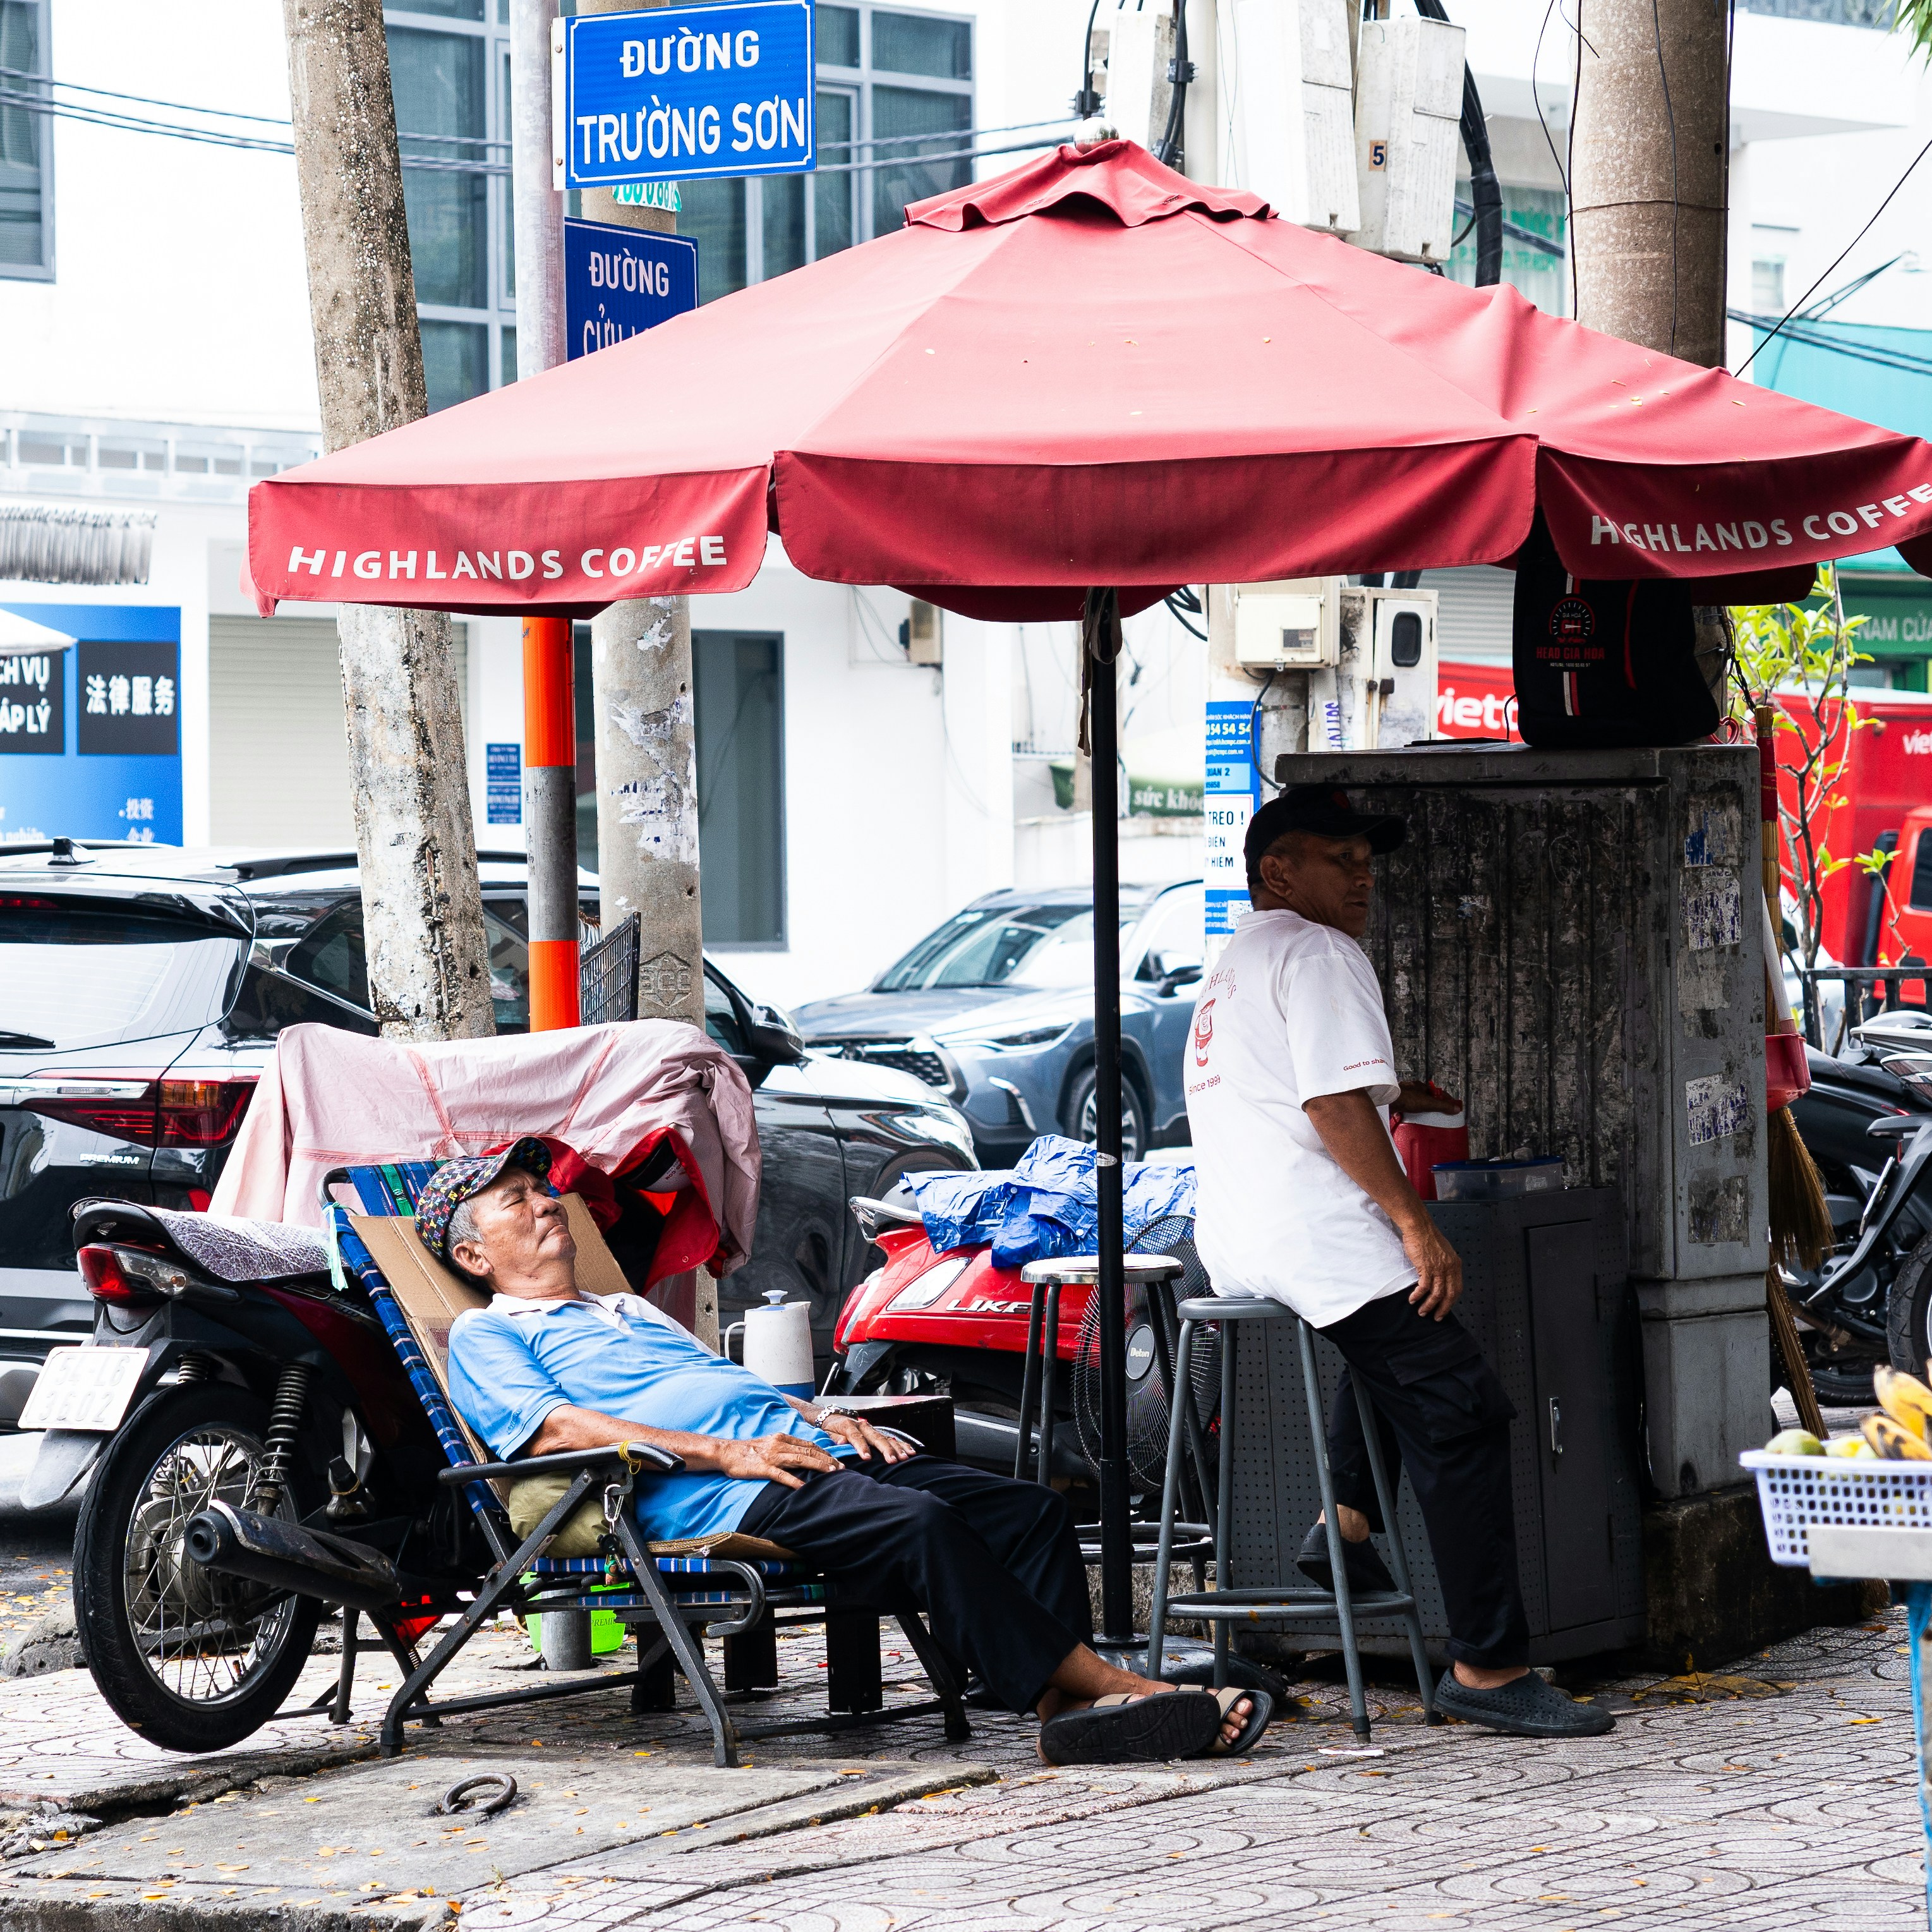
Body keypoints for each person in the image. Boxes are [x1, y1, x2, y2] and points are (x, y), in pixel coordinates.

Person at [426, 1138, 1271, 1765]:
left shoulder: (628, 1311)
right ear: (472, 1254)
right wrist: (728, 1453)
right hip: (717, 1492)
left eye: (542, 1189)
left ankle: (1062, 1709)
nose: (545, 1203)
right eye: (517, 1200)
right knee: (922, 1523)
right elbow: (556, 1432)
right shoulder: (485, 1331)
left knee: (1033, 1509)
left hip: (790, 1448)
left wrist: (826, 1414)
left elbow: (733, 1386)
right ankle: (1125, 1689)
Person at [1185, 786, 1612, 1739]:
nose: (1361, 872)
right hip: (1313, 1234)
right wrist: (1413, 1221)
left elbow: (1297, 1089)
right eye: (1338, 857)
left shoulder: (1234, 964)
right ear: (1277, 871)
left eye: (1365, 857)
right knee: (1462, 1410)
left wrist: (1388, 1096)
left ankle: (1342, 1526)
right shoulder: (1322, 950)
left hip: (1240, 1239)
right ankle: (1490, 1668)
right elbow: (1331, 1108)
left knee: (1400, 1350)